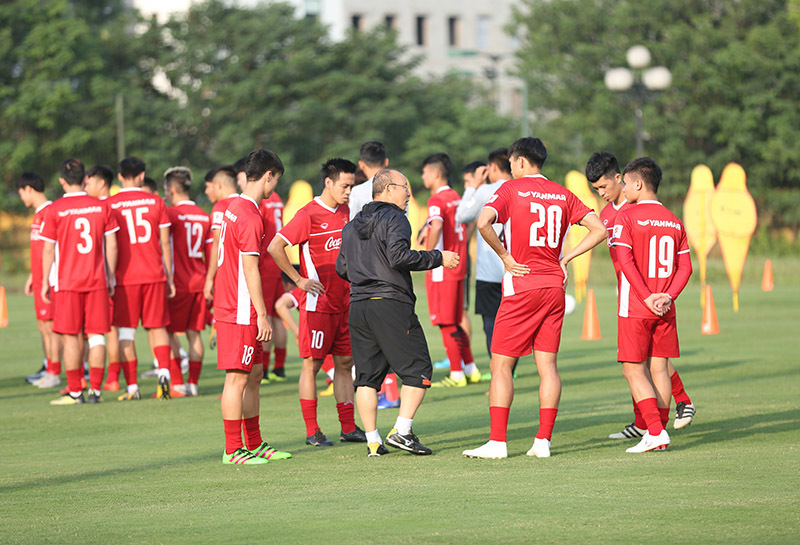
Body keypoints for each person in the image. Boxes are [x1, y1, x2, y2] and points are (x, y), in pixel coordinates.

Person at [462, 137, 607, 459]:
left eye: (512, 162)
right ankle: (543, 442)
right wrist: (565, 259)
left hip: (522, 284)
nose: (511, 168)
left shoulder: (511, 190)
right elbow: (599, 229)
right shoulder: (563, 193)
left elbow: (483, 222)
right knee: (548, 365)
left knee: (501, 365)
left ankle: (498, 442)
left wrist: (504, 256)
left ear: (522, 162)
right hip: (554, 286)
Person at [337, 169, 460, 456]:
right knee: (419, 370)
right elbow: (399, 257)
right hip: (390, 303)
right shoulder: (395, 218)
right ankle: (402, 432)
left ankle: (373, 441)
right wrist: (438, 257)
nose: (408, 193)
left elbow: (342, 268)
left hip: (359, 307)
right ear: (389, 189)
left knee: (367, 377)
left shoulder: (352, 224)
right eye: (405, 187)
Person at [586, 152, 696, 437]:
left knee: (640, 364)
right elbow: (686, 266)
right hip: (654, 296)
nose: (602, 193)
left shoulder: (628, 214)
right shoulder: (615, 214)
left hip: (639, 297)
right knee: (651, 363)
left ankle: (670, 413)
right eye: (595, 190)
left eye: (604, 187)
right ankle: (645, 424)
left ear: (623, 180)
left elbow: (626, 260)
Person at [268, 158, 366, 447]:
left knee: (345, 364)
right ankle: (312, 431)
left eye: (352, 186)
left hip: (345, 303)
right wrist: (298, 280)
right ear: (328, 183)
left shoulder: (348, 212)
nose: (349, 191)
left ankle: (348, 427)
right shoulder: (308, 214)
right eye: (345, 186)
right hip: (317, 306)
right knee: (311, 365)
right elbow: (275, 246)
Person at [215, 149, 291, 464]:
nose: (275, 188)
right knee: (237, 379)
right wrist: (262, 315)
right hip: (239, 309)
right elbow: (249, 270)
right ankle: (233, 449)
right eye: (276, 180)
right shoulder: (248, 215)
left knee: (255, 374)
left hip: (234, 305)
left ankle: (255, 443)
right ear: (269, 175)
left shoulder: (234, 207)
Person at [40, 159, 119, 405]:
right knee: (97, 337)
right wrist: (111, 276)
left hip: (67, 284)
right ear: (85, 179)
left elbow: (48, 250)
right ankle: (95, 390)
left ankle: (75, 391)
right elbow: (112, 245)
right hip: (96, 282)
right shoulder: (101, 207)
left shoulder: (54, 209)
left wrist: (44, 281)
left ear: (62, 181)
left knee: (71, 337)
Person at [108, 156, 175, 401]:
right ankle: (164, 376)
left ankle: (133, 387)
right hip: (154, 275)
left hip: (125, 279)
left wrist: (108, 277)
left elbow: (110, 245)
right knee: (158, 329)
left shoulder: (110, 204)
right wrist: (169, 277)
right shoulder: (156, 202)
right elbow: (165, 244)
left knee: (126, 333)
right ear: (143, 175)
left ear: (120, 177)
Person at [346, 141, 399, 409]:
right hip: (393, 271)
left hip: (365, 272)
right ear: (386, 163)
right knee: (391, 334)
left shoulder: (356, 193)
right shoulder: (400, 188)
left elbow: (353, 229)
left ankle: (375, 392)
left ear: (362, 165)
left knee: (366, 339)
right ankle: (391, 392)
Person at [420, 153, 480, 387]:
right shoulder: (456, 196)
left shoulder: (436, 200)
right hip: (459, 264)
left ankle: (456, 374)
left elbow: (436, 225)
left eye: (424, 172)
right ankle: (470, 368)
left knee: (446, 322)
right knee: (456, 319)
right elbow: (469, 222)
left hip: (441, 267)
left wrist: (427, 254)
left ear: (435, 174)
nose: (423, 176)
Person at [455, 149, 512, 360]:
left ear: (493, 168)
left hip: (489, 271)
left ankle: (499, 370)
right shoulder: (520, 188)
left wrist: (472, 186)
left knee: (491, 324)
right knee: (511, 323)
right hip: (515, 268)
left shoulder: (486, 190)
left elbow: (462, 215)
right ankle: (510, 370)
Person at [164, 167, 213, 397]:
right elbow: (210, 252)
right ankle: (193, 382)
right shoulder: (204, 215)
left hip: (179, 283)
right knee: (195, 333)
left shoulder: (171, 214)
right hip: (200, 280)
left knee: (168, 331)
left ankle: (176, 382)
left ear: (171, 190)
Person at [17, 172, 62, 388]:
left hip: (50, 280)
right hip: (38, 278)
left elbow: (52, 249)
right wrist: (31, 276)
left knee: (51, 327)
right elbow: (39, 250)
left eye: (21, 193)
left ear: (28, 189)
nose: (21, 199)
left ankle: (54, 372)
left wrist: (45, 278)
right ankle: (49, 367)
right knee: (43, 327)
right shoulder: (38, 214)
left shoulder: (50, 212)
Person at [84, 165, 124, 392]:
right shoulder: (116, 205)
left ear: (101, 183)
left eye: (88, 183)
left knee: (107, 329)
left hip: (104, 277)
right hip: (120, 275)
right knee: (114, 328)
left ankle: (111, 377)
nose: (86, 187)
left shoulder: (101, 207)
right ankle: (113, 376)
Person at [258, 186, 289, 383]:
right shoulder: (277, 197)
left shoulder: (260, 200)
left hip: (265, 263)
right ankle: (279, 367)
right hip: (279, 262)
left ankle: (264, 369)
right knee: (278, 318)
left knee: (266, 316)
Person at [203, 166, 239, 302]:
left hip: (227, 276)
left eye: (209, 187)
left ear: (218, 185)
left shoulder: (221, 207)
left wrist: (209, 278)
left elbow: (218, 243)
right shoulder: (249, 204)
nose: (207, 192)